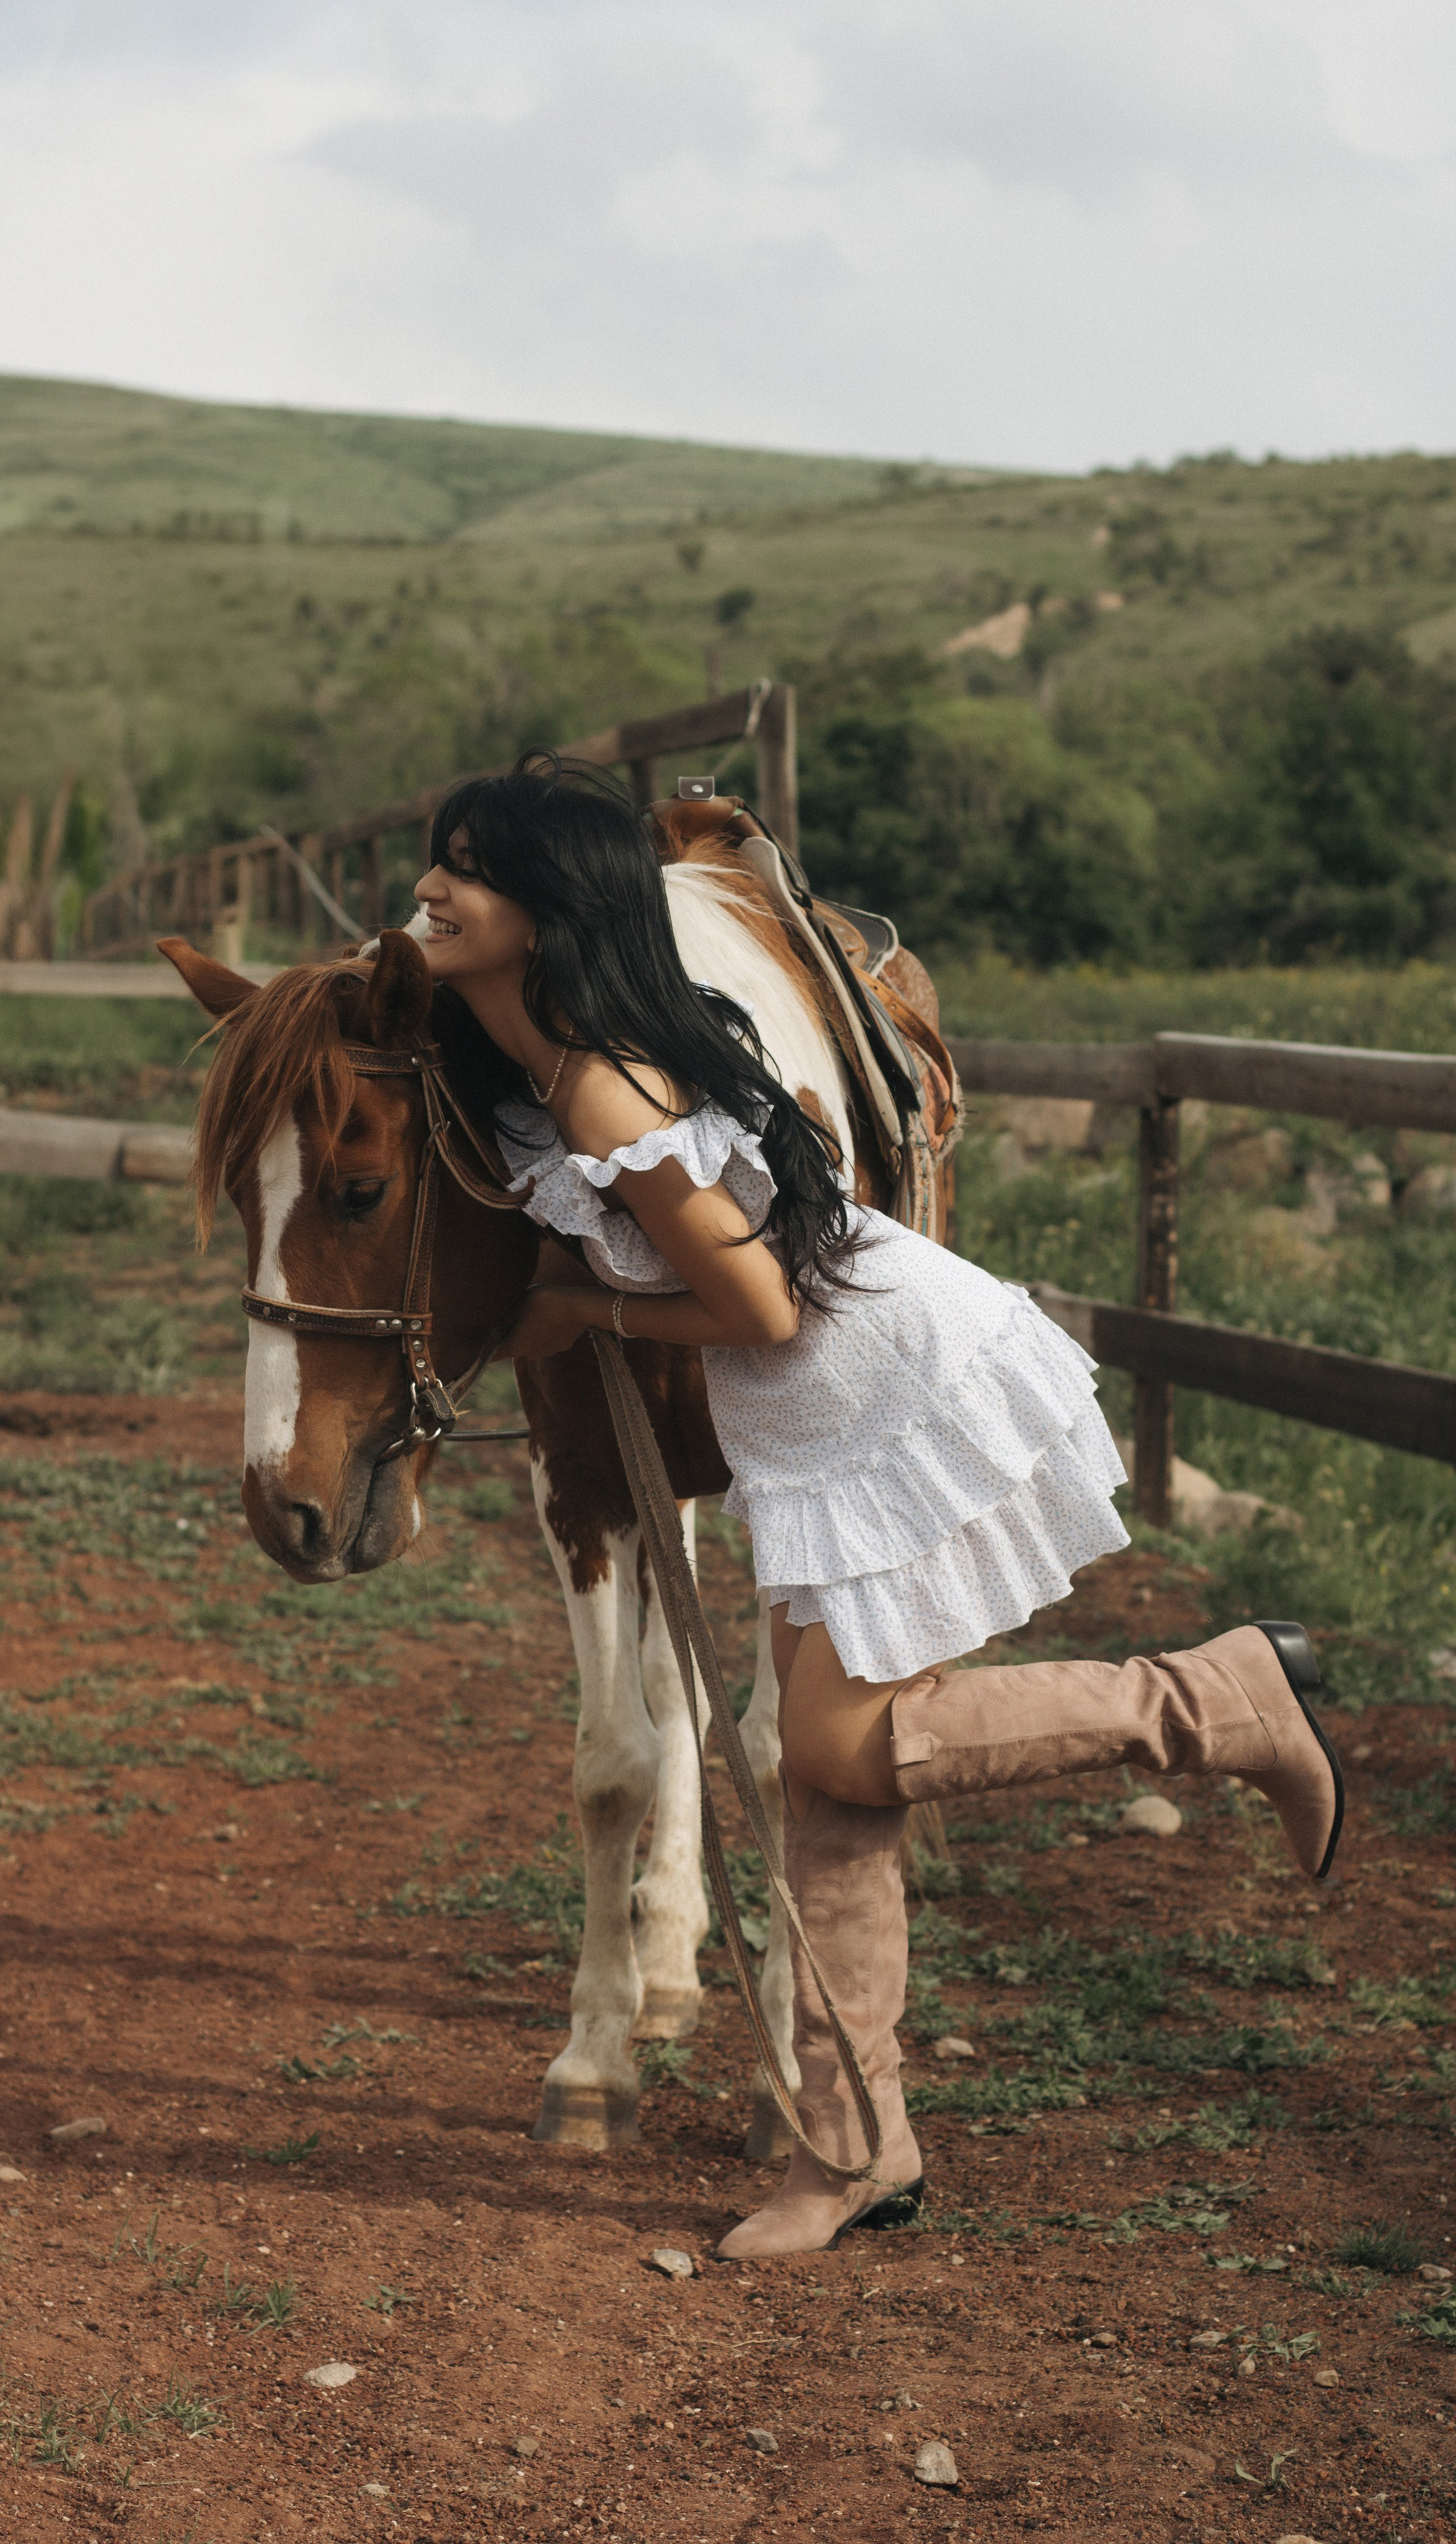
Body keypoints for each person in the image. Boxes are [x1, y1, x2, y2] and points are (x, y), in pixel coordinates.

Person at [411, 757, 1344, 2262]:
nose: (433, 888)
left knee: (839, 1747)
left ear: (552, 906)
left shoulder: (596, 1080)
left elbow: (761, 1307)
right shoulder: (540, 1071)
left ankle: (1218, 1701)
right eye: (433, 860)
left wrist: (581, 1309)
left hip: (874, 1378)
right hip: (815, 1419)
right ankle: (854, 2154)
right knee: (834, 1798)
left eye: (470, 868)